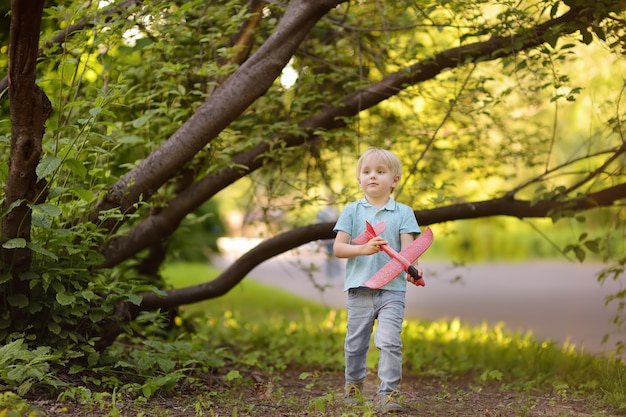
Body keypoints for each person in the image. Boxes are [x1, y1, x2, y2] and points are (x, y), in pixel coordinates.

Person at [332, 147, 424, 414]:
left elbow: (410, 252)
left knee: (389, 341)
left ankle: (390, 392)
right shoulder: (352, 211)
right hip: (360, 289)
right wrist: (363, 248)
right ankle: (354, 384)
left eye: (380, 172)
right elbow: (339, 248)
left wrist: (413, 270)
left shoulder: (403, 212)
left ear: (394, 180)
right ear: (359, 179)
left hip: (392, 289)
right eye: (367, 172)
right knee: (356, 342)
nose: (373, 177)